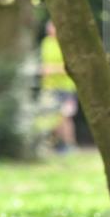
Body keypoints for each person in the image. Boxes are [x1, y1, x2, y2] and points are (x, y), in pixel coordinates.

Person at [40, 19, 77, 151]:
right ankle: (57, 145)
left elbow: (70, 66)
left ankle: (69, 145)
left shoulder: (67, 44)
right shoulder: (46, 43)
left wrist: (52, 69)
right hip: (50, 86)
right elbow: (44, 65)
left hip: (66, 87)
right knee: (52, 117)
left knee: (65, 116)